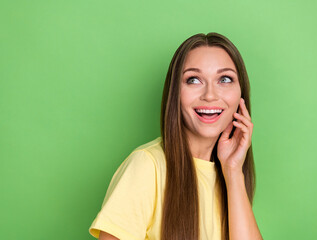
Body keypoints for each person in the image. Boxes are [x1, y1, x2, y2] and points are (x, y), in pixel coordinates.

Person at [89, 32, 263, 240]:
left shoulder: (228, 174)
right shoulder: (147, 166)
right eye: (194, 80)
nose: (210, 95)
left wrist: (233, 171)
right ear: (175, 93)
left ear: (240, 95)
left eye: (224, 79)